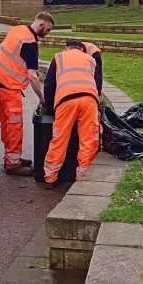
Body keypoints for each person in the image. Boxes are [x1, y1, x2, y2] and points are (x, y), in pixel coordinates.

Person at [0, 11, 54, 176]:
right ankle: (12, 163)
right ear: (40, 25)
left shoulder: (18, 29)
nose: (48, 33)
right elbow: (32, 76)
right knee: (14, 122)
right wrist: (42, 97)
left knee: (5, 119)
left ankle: (10, 154)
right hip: (9, 85)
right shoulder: (30, 43)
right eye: (48, 29)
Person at [42, 39, 101, 185]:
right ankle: (83, 176)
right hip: (89, 100)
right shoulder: (90, 59)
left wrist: (49, 107)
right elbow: (98, 83)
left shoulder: (59, 57)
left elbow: (49, 85)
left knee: (59, 138)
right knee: (88, 139)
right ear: (82, 49)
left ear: (66, 47)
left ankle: (50, 176)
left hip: (66, 100)